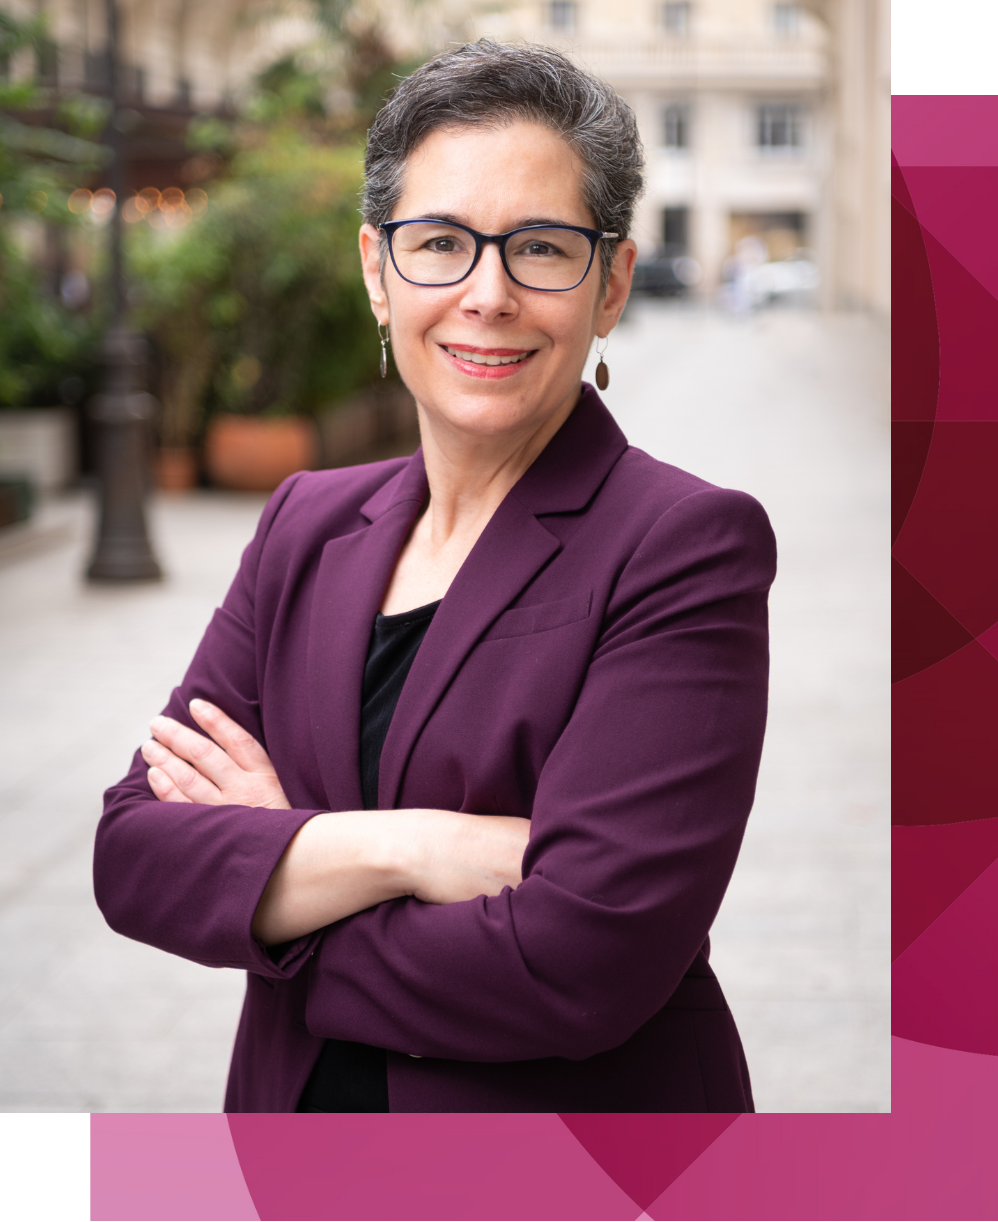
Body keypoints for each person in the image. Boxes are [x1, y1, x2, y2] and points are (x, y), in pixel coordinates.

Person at [94, 39, 776, 1113]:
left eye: (541, 248)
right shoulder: (305, 524)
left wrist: (278, 871)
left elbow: (580, 962)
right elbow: (135, 855)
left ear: (610, 284)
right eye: (441, 243)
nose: (486, 294)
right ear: (377, 271)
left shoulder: (683, 545)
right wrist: (419, 847)